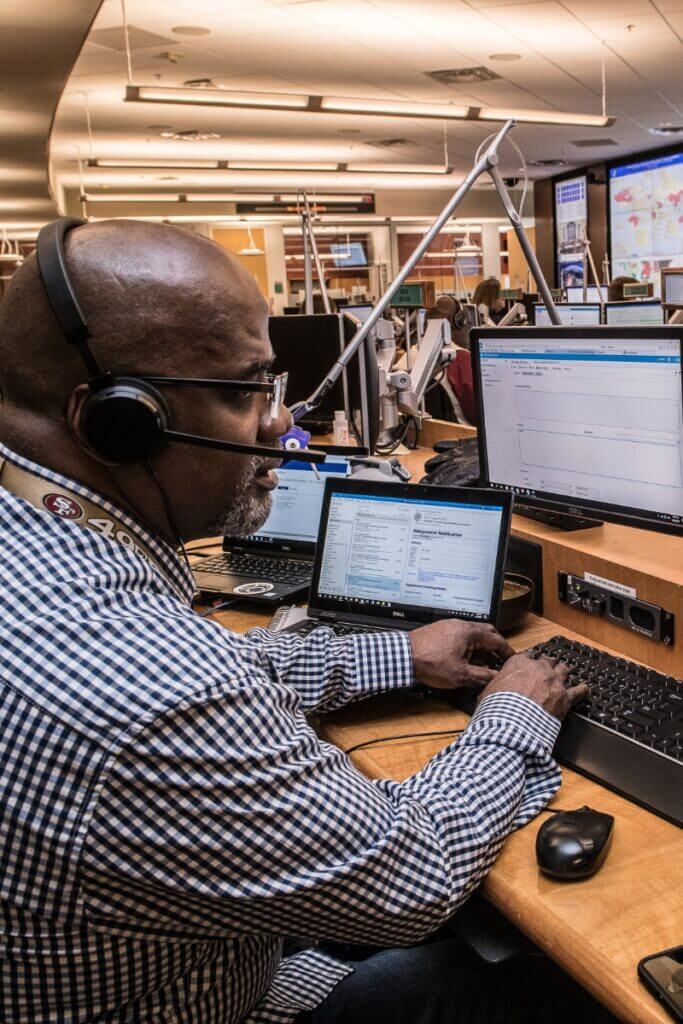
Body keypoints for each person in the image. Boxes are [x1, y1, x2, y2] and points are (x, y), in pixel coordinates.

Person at [0, 220, 597, 1024]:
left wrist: (398, 655)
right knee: (522, 981)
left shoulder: (46, 548)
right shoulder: (144, 680)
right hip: (198, 1004)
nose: (279, 426)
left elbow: (218, 669)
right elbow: (410, 877)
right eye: (250, 388)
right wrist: (514, 714)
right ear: (117, 420)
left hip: (166, 964)